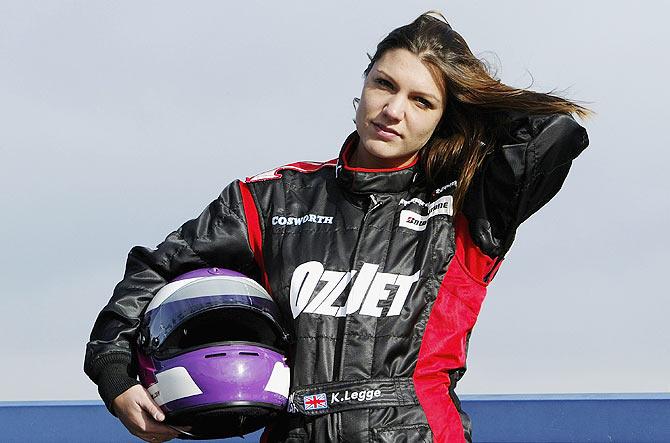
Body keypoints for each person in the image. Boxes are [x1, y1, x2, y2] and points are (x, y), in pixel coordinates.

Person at [84, 11, 590, 443]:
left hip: (416, 430)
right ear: (363, 84)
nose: (393, 110)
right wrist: (114, 374)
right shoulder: (270, 198)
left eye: (422, 101)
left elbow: (555, 134)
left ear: (447, 115)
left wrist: (468, 90)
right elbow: (154, 271)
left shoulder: (471, 204)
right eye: (384, 85)